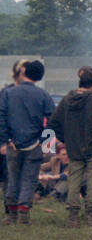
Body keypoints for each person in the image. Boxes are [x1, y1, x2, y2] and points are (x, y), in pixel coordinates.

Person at [50, 65, 92, 227]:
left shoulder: (66, 100)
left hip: (73, 148)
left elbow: (54, 123)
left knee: (74, 179)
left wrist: (66, 139)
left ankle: (73, 216)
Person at [0, 59, 57, 224]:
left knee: (12, 178)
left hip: (12, 144)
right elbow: (51, 120)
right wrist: (46, 144)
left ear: (24, 72)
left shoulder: (8, 94)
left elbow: (1, 117)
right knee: (29, 179)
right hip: (35, 145)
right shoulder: (44, 95)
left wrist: (4, 141)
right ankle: (23, 213)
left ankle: (11, 214)